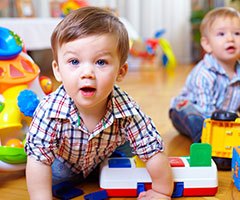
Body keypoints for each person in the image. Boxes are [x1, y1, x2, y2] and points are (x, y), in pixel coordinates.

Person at [25, 6, 173, 200]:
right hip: (64, 165)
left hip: (108, 156)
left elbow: (153, 150)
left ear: (120, 72)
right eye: (74, 62)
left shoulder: (128, 109)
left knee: (129, 158)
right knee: (49, 175)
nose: (87, 73)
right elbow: (38, 160)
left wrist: (162, 191)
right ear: (58, 70)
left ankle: (111, 167)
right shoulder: (49, 110)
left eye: (101, 62)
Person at [169, 7, 240, 143]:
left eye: (237, 33)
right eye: (221, 34)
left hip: (223, 119)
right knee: (195, 119)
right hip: (189, 111)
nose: (230, 39)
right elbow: (205, 112)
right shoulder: (204, 74)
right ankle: (204, 140)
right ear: (207, 44)